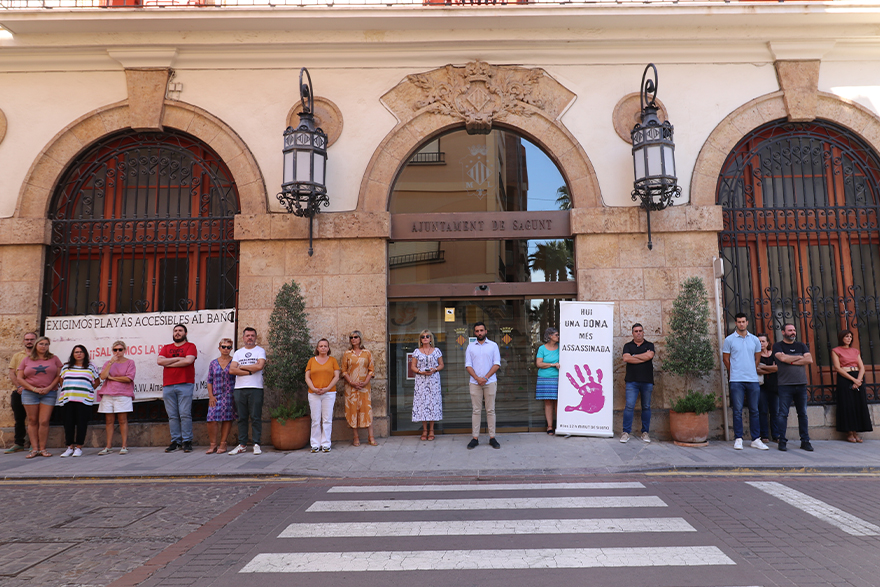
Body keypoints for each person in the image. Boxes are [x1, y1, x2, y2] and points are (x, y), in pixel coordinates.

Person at [722, 313, 768, 450]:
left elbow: (757, 358)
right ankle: (738, 438)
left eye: (743, 321)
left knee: (754, 410)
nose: (741, 324)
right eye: (739, 322)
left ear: (747, 322)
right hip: (736, 380)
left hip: (752, 379)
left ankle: (756, 439)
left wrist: (751, 369)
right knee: (737, 410)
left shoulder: (754, 340)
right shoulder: (729, 340)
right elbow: (726, 359)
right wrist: (734, 371)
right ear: (735, 323)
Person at [17, 336, 62, 458]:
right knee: (32, 420)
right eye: (41, 344)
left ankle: (43, 448)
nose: (44, 346)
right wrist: (33, 389)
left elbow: (59, 376)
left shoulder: (54, 359)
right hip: (30, 393)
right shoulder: (27, 360)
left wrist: (48, 388)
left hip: (49, 393)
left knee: (44, 421)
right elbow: (20, 378)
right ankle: (34, 449)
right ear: (36, 345)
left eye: (46, 344)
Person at [773, 323, 814, 452]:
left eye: (794, 330)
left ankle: (805, 441)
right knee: (782, 414)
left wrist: (789, 359)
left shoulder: (801, 345)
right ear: (783, 332)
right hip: (785, 385)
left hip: (801, 384)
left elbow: (809, 360)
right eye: (790, 330)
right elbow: (782, 358)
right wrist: (799, 357)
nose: (793, 332)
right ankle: (782, 441)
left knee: (802, 414)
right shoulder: (778, 346)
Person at [157, 324, 197, 453]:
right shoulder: (166, 347)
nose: (177, 333)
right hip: (168, 385)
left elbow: (188, 361)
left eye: (180, 330)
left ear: (185, 333)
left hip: (185, 383)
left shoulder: (191, 346)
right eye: (175, 331)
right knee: (172, 416)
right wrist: (179, 358)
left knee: (185, 414)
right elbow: (160, 361)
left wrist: (169, 362)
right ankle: (176, 441)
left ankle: (187, 441)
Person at [228, 327, 267, 455]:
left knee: (256, 417)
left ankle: (256, 444)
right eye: (247, 335)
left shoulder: (260, 351)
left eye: (252, 335)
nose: (250, 337)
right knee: (242, 417)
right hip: (239, 389)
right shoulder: (238, 353)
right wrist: (250, 371)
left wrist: (242, 367)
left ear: (255, 337)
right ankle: (242, 444)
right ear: (243, 338)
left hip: (256, 388)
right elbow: (232, 370)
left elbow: (259, 366)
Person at [58, 345, 100, 458]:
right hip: (68, 399)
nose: (79, 354)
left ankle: (79, 447)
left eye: (81, 352)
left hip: (83, 400)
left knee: (82, 424)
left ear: (85, 354)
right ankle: (69, 447)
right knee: (68, 424)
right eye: (76, 352)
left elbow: (97, 381)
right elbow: (61, 380)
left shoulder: (90, 367)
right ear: (73, 354)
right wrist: (68, 389)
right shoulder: (66, 367)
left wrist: (88, 390)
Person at [831, 329, 872, 443]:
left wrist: (858, 380)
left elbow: (862, 367)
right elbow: (838, 368)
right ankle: (849, 432)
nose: (849, 338)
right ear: (841, 338)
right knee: (847, 404)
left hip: (857, 376)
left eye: (850, 336)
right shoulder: (836, 350)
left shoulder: (855, 351)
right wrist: (853, 380)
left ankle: (856, 432)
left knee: (858, 403)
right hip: (845, 377)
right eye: (846, 336)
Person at [465, 322, 501, 450]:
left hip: (490, 382)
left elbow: (497, 364)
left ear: (486, 331)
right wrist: (477, 378)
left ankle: (492, 437)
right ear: (474, 333)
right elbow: (468, 365)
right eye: (477, 331)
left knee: (490, 410)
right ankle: (475, 438)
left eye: (481, 330)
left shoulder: (493, 346)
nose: (479, 333)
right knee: (476, 410)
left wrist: (485, 378)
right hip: (475, 383)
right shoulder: (470, 347)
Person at [97, 341, 136, 455]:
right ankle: (108, 446)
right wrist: (110, 363)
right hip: (108, 394)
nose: (117, 352)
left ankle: (124, 445)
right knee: (109, 421)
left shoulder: (130, 362)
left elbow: (129, 378)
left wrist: (112, 378)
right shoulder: (108, 363)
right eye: (115, 350)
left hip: (123, 394)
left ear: (125, 350)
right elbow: (103, 376)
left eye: (120, 349)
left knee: (122, 420)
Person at [620, 323, 654, 443]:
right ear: (632, 333)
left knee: (646, 406)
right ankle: (625, 432)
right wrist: (643, 357)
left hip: (647, 381)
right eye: (636, 331)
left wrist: (634, 356)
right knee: (629, 406)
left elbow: (650, 356)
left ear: (643, 332)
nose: (638, 333)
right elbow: (626, 358)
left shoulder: (649, 345)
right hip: (632, 381)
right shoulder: (627, 346)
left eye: (640, 331)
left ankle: (645, 433)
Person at [342, 331, 376, 447]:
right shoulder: (347, 353)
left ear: (360, 338)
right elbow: (344, 371)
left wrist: (365, 382)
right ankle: (355, 437)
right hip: (351, 387)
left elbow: (371, 369)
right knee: (352, 411)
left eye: (355, 337)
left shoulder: (367, 353)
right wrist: (351, 382)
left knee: (367, 409)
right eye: (351, 337)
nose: (353, 339)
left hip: (364, 387)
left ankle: (371, 436)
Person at [305, 338, 340, 453]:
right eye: (321, 346)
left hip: (329, 393)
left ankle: (326, 444)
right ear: (317, 348)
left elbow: (336, 376)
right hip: (314, 394)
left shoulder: (333, 360)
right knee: (315, 419)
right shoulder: (311, 361)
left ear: (328, 348)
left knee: (327, 419)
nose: (323, 348)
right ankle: (315, 444)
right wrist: (314, 388)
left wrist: (327, 388)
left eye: (325, 346)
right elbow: (307, 377)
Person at [5, 331, 36, 453]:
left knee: (34, 419)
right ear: (23, 341)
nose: (29, 342)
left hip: (34, 391)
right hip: (19, 391)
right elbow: (12, 373)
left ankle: (34, 444)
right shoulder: (17, 356)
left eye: (32, 339)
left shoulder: (40, 355)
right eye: (27, 339)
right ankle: (19, 443)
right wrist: (19, 387)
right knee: (19, 418)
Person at [205, 338, 237, 454]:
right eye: (223, 347)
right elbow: (209, 380)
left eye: (228, 347)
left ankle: (223, 443)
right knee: (211, 419)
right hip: (216, 395)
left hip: (229, 395)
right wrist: (211, 396)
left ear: (231, 349)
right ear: (219, 348)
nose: (226, 349)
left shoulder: (234, 362)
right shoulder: (213, 363)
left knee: (227, 419)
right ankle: (213, 444)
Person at [411, 329, 444, 441]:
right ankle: (424, 430)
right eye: (423, 336)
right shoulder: (416, 351)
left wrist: (434, 369)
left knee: (432, 403)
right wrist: (420, 372)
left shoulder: (437, 351)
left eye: (427, 336)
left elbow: (441, 365)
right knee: (422, 404)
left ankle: (432, 430)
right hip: (421, 381)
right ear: (420, 339)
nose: (425, 338)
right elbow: (413, 366)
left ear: (431, 338)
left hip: (433, 380)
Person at [535, 327, 560, 435]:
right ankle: (549, 426)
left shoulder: (561, 347)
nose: (558, 337)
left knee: (558, 402)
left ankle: (559, 425)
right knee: (548, 402)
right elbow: (538, 363)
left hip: (558, 378)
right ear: (550, 336)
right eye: (556, 335)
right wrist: (552, 365)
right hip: (544, 378)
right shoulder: (542, 349)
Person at [756, 333, 779, 443]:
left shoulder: (774, 355)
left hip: (774, 386)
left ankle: (776, 435)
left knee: (775, 411)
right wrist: (771, 368)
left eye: (763, 341)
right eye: (759, 341)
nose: (761, 343)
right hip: (762, 387)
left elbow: (778, 368)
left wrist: (764, 368)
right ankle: (764, 435)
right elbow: (756, 369)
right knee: (763, 411)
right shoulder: (756, 356)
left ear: (768, 343)